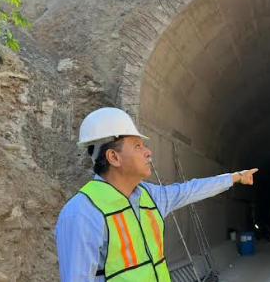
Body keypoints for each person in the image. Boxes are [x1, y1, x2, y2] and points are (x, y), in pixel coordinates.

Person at [55, 107, 258, 282]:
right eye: (137, 146)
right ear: (114, 157)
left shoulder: (150, 196)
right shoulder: (82, 214)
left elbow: (192, 189)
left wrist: (235, 177)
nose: (148, 152)